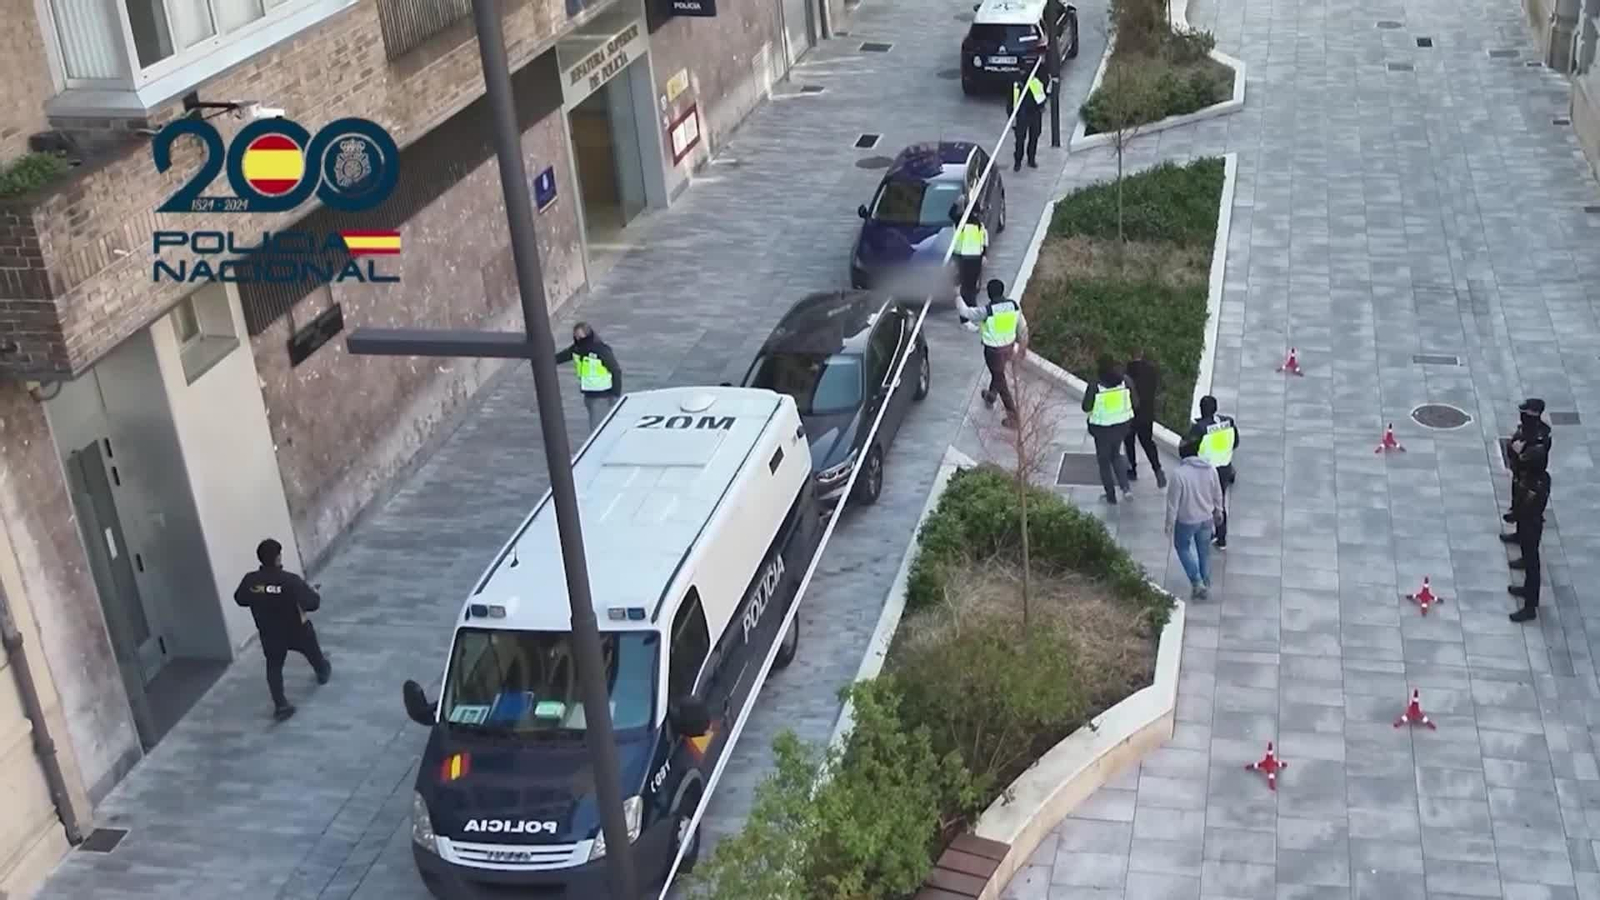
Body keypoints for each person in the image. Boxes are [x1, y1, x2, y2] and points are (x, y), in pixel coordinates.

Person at [234, 539, 330, 721]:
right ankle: (322, 671)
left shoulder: (250, 580)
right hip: (296, 630)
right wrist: (314, 593)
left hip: (269, 633)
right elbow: (312, 604)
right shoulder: (290, 581)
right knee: (311, 649)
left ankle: (281, 705)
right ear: (278, 558)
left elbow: (240, 599)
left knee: (274, 666)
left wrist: (261, 596)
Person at [958, 279, 1028, 429]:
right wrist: (1022, 347)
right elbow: (1022, 327)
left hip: (993, 352)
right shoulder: (1014, 306)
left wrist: (957, 296)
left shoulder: (987, 311)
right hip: (1008, 348)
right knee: (998, 374)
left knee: (1001, 381)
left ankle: (1014, 418)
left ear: (989, 294)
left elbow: (966, 312)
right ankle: (991, 396)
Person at [1165, 438, 1225, 600]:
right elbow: (1218, 493)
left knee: (1182, 547)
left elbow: (1173, 503)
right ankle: (1205, 581)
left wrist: (1169, 524)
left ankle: (1197, 582)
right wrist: (1218, 511)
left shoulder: (1179, 474)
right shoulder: (1210, 469)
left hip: (1187, 520)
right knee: (1204, 551)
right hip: (1207, 518)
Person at [1081, 355, 1137, 503]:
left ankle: (1111, 496)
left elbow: (1086, 407)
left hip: (1102, 430)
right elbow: (1135, 403)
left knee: (1104, 462)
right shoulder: (1125, 381)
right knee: (1116, 455)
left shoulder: (1095, 385)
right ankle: (1126, 489)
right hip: (1121, 427)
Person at [1188, 395, 1239, 549]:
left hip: (1206, 471)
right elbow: (1235, 443)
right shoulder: (1228, 422)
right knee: (1219, 502)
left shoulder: (1199, 428)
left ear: (1201, 410)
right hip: (1224, 469)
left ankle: (1207, 534)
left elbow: (1188, 449)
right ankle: (1221, 538)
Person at [1508, 441, 1551, 623]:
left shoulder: (1535, 485)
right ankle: (1527, 590)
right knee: (1529, 559)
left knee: (1532, 566)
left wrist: (1514, 515)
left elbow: (1526, 505)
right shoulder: (1542, 478)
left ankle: (1530, 607)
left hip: (1530, 525)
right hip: (1529, 522)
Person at [554, 321, 624, 432]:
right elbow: (562, 357)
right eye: (576, 336)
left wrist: (616, 395)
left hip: (602, 395)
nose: (578, 338)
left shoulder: (601, 350)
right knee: (598, 426)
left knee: (597, 429)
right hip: (588, 394)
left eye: (580, 336)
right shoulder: (577, 349)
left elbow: (615, 371)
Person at [1503, 398, 1551, 526]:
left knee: (1527, 509)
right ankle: (1517, 519)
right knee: (1518, 499)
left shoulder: (1540, 436)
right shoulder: (1525, 429)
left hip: (1531, 479)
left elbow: (1532, 459)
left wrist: (1518, 452)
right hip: (1520, 474)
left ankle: (1524, 526)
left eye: (1526, 413)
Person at [1123, 348, 1165, 488]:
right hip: (1147, 413)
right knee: (1147, 442)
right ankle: (1157, 469)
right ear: (1141, 354)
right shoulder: (1152, 370)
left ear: (1129, 356)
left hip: (1130, 414)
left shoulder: (1127, 372)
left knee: (1129, 442)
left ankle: (1132, 470)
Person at [1007, 70, 1048, 171]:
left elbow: (1042, 95)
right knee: (1020, 139)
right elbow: (1011, 100)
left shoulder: (1036, 80)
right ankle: (1018, 161)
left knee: (1034, 136)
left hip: (1034, 112)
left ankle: (1031, 159)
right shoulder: (1016, 83)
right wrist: (1011, 116)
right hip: (1022, 113)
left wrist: (1041, 106)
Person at [950, 202, 989, 307]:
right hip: (971, 257)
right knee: (969, 286)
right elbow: (984, 240)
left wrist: (956, 203)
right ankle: (970, 306)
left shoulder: (965, 222)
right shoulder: (971, 223)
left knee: (967, 285)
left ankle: (968, 307)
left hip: (967, 257)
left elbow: (983, 239)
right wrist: (984, 255)